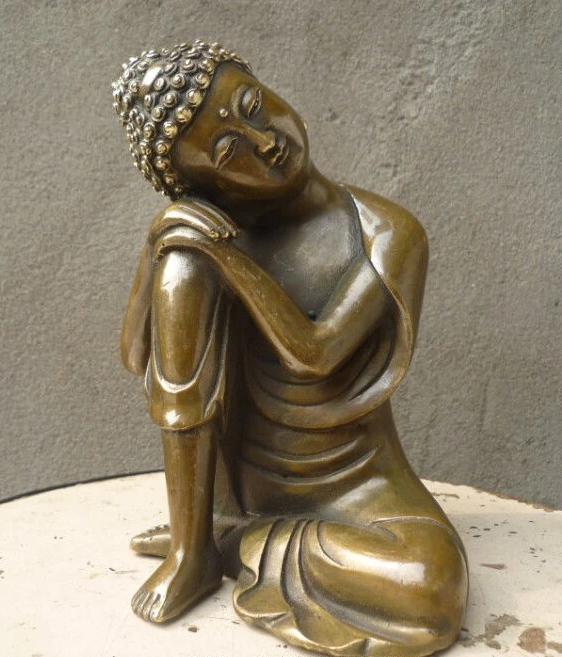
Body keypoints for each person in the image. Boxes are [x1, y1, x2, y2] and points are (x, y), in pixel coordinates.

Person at [113, 41, 467, 657]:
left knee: (430, 587)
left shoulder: (388, 232)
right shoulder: (208, 244)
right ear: (203, 184)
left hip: (359, 490)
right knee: (183, 266)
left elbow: (317, 353)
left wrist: (228, 257)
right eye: (229, 153)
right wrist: (160, 241)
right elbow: (136, 355)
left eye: (254, 106)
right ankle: (194, 550)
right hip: (246, 478)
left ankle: (236, 541)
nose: (266, 142)